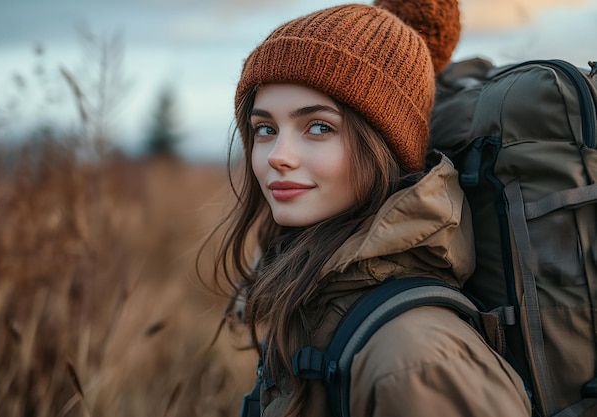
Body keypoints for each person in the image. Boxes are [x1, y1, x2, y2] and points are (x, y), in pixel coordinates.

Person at [201, 0, 532, 415]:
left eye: (318, 127)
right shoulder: (314, 297)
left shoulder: (416, 362)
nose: (277, 155)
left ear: (385, 147)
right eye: (265, 129)